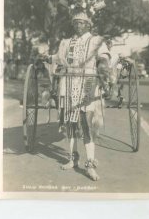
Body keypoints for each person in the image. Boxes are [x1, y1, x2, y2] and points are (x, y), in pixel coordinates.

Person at [45, 11, 110, 181]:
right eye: (76, 23)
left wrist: (103, 67)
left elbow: (104, 57)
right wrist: (48, 57)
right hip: (68, 85)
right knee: (70, 125)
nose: (78, 25)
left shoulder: (96, 41)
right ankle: (73, 159)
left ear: (88, 25)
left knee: (86, 125)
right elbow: (58, 58)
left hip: (87, 85)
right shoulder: (66, 42)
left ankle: (90, 165)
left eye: (82, 22)